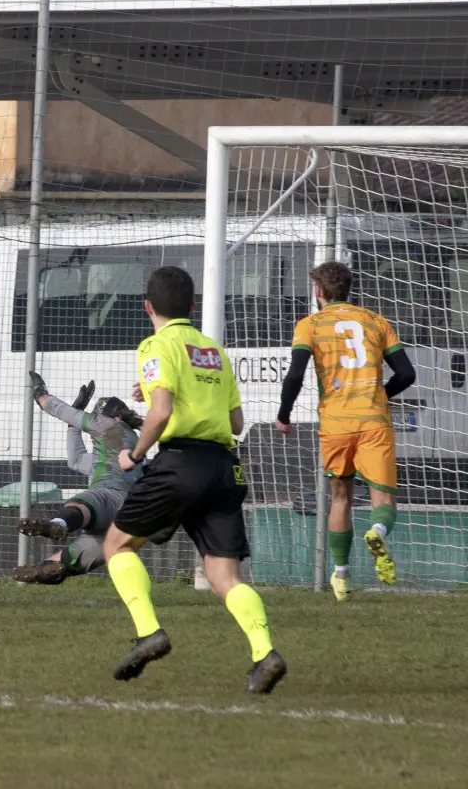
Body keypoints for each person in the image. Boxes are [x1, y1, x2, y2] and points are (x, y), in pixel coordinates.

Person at [103, 266, 286, 694]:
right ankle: (265, 652)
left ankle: (149, 631)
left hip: (180, 462)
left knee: (117, 544)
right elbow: (236, 423)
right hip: (223, 466)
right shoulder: (213, 350)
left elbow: (162, 412)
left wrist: (134, 453)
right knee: (226, 580)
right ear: (193, 306)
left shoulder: (155, 345)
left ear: (147, 307)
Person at [276, 261, 416, 601]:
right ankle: (378, 531)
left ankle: (340, 576)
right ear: (348, 290)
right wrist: (380, 393)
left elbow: (295, 374)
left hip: (336, 423)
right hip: (373, 420)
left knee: (341, 498)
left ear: (318, 292)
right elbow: (407, 374)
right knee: (383, 498)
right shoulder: (376, 322)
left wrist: (284, 414)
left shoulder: (310, 324)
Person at [16, 375, 153, 584]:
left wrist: (40, 392)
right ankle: (44, 572)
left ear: (111, 416)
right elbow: (77, 459)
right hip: (130, 517)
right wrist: (74, 427)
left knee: (84, 503)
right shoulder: (128, 446)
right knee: (67, 560)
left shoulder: (107, 425)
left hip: (108, 497)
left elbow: (55, 408)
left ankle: (58, 524)